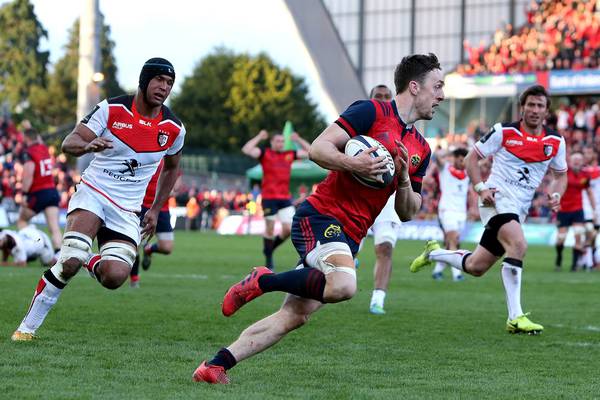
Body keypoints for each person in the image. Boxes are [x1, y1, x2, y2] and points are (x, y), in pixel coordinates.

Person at [193, 53, 442, 384]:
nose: (441, 95)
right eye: (437, 86)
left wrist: (403, 179)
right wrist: (355, 164)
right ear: (415, 87)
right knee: (344, 285)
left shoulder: (421, 149)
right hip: (321, 216)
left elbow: (408, 212)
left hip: (350, 235)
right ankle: (263, 280)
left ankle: (214, 365)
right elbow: (319, 149)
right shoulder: (370, 111)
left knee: (295, 315)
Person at [11, 57, 185, 341]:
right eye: (158, 80)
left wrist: (155, 209)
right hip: (94, 193)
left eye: (169, 83)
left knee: (114, 277)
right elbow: (69, 142)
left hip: (128, 209)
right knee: (70, 259)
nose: (164, 88)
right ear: (144, 81)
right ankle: (26, 329)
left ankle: (89, 261)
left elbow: (173, 167)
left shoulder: (174, 128)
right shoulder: (111, 109)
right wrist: (88, 145)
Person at [410, 84, 567, 335]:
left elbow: (561, 175)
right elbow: (471, 159)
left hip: (520, 208)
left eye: (540, 105)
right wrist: (481, 187)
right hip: (496, 199)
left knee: (476, 266)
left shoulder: (555, 142)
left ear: (547, 111)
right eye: (531, 105)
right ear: (522, 108)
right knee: (519, 245)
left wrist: (557, 192)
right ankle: (515, 317)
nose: (535, 110)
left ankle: (434, 254)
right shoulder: (503, 132)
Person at [241, 129, 311, 270]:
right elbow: (246, 149)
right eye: (278, 141)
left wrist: (298, 139)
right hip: (269, 198)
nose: (281, 143)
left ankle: (269, 249)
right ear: (272, 142)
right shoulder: (265, 153)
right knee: (270, 229)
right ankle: (269, 259)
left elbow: (311, 152)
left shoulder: (289, 154)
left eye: (283, 141)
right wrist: (259, 136)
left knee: (288, 229)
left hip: (284, 198)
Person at [364, 84, 399, 315]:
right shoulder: (360, 124)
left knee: (385, 248)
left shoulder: (402, 126)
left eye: (388, 97)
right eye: (379, 97)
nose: (384, 100)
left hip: (388, 196)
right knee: (347, 247)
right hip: (360, 193)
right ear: (371, 100)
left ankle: (378, 298)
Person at [129, 160, 183, 288]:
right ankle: (134, 280)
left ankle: (148, 249)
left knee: (167, 248)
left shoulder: (169, 159)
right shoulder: (145, 157)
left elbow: (177, 180)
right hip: (141, 207)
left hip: (161, 209)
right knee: (133, 245)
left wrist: (173, 191)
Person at [17, 128, 62, 254]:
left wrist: (25, 194)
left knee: (22, 220)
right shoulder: (44, 148)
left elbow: (28, 175)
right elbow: (38, 139)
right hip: (52, 191)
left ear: (26, 138)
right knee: (54, 227)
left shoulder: (28, 152)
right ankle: (58, 253)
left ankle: (35, 247)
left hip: (38, 193)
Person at [430, 147, 469, 282]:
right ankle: (457, 274)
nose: (462, 162)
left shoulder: (467, 172)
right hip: (447, 211)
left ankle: (436, 267)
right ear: (454, 158)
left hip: (461, 213)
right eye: (460, 159)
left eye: (464, 160)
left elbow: (483, 160)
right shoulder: (445, 168)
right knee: (453, 240)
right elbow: (435, 155)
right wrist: (450, 151)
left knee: (450, 244)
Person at [554, 153, 594, 271]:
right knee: (561, 238)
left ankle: (574, 265)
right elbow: (555, 185)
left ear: (582, 162)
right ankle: (559, 258)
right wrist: (555, 201)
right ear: (570, 161)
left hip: (578, 209)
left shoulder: (585, 175)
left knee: (578, 235)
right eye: (575, 159)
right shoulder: (564, 173)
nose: (577, 161)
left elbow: (589, 191)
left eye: (579, 159)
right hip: (564, 210)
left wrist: (594, 208)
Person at [582, 147, 600, 269]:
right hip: (585, 206)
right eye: (585, 153)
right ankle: (588, 262)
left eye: (589, 153)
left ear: (595, 155)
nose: (586, 155)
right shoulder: (581, 171)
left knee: (594, 235)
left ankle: (591, 261)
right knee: (590, 234)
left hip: (598, 206)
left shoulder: (595, 171)